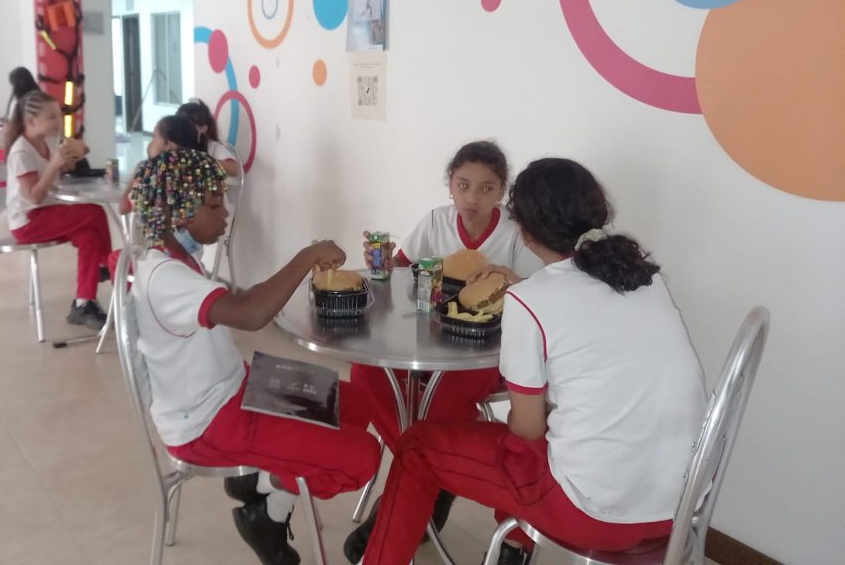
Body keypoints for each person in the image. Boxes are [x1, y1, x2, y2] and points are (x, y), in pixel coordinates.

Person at [358, 158, 707, 565]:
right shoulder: (643, 278)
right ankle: (513, 552)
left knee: (418, 446)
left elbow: (526, 431)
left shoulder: (530, 302)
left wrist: (524, 294)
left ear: (522, 230)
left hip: (592, 513)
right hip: (680, 508)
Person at [130, 150, 380, 565]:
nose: (225, 213)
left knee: (356, 403)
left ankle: (262, 485)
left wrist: (293, 277)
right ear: (177, 214)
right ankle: (268, 509)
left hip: (234, 386)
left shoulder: (175, 261)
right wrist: (308, 254)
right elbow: (251, 315)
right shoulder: (166, 278)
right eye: (214, 204)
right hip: (208, 422)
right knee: (363, 456)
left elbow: (242, 300)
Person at [344, 141, 542, 557]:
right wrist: (381, 262)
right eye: (463, 185)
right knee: (367, 374)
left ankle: (411, 493)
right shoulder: (436, 221)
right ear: (450, 185)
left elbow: (540, 296)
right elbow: (398, 274)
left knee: (442, 402)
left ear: (501, 191)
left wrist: (509, 279)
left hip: (487, 353)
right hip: (429, 342)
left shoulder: (513, 234)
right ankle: (430, 478)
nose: (472, 198)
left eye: (486, 188)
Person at [5, 89, 111, 330]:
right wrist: (54, 165)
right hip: (28, 221)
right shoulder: (21, 152)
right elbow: (34, 197)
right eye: (51, 117)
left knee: (89, 236)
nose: (59, 121)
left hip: (47, 212)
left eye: (58, 115)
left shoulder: (48, 142)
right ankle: (105, 265)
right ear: (32, 121)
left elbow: (60, 173)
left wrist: (71, 159)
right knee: (94, 212)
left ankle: (83, 304)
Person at [118, 114, 203, 216]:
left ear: (168, 145)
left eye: (154, 137)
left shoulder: (151, 175)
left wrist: (136, 176)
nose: (150, 144)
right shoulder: (196, 171)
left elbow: (123, 208)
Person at [176, 99, 240, 176]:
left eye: (190, 127)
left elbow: (234, 169)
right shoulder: (172, 144)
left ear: (204, 129)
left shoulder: (213, 147)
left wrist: (205, 160)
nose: (184, 131)